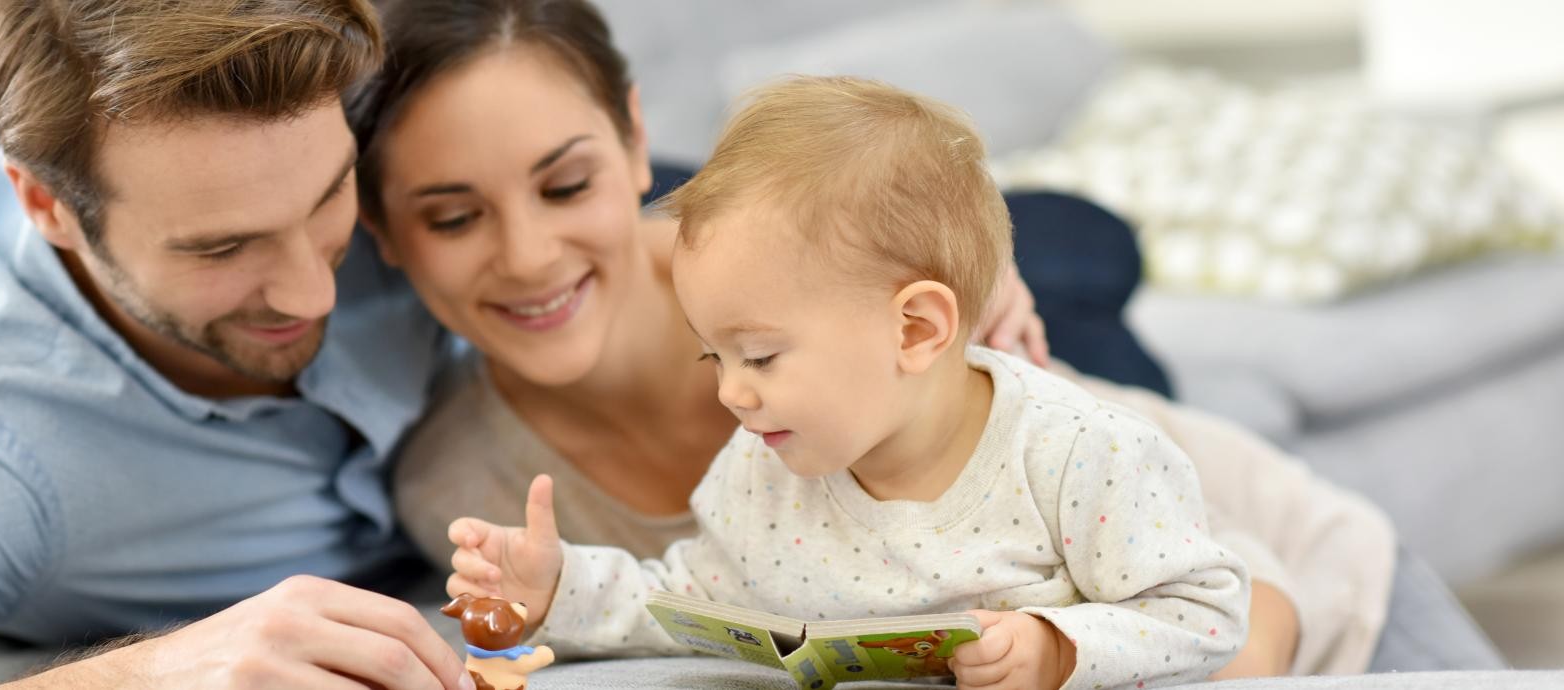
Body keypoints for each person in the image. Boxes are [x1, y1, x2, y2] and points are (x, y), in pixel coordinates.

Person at [445, 75, 1254, 690]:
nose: (730, 391)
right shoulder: (763, 472)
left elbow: (1205, 611)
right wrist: (557, 588)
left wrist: (1056, 648)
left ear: (915, 330)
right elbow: (689, 601)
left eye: (758, 357)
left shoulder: (1083, 455)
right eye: (712, 357)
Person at [0, 2, 471, 688]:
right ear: (45, 207)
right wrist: (147, 673)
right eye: (222, 248)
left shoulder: (382, 96)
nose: (313, 296)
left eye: (331, 194)